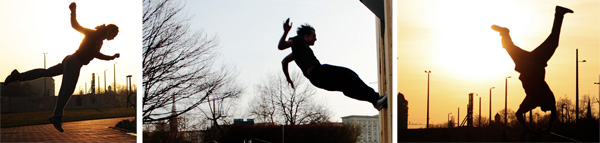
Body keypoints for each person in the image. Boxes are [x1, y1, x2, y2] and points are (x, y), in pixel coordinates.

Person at [3, 2, 120, 132]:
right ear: (109, 30)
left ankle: (17, 76)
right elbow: (75, 25)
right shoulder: (94, 34)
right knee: (67, 88)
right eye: (113, 35)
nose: (113, 38)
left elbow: (95, 54)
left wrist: (111, 57)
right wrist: (73, 11)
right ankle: (57, 116)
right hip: (74, 62)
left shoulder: (99, 40)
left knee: (47, 72)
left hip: (71, 60)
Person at [491, 6, 573, 132]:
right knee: (512, 48)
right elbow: (520, 115)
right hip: (531, 63)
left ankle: (559, 14)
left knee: (550, 43)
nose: (544, 110)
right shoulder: (537, 99)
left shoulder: (535, 100)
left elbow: (551, 113)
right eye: (545, 109)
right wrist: (540, 129)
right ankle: (559, 14)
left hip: (532, 63)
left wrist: (538, 130)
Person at [278, 18, 387, 111]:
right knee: (348, 73)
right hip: (318, 72)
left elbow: (284, 61)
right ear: (305, 36)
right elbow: (281, 46)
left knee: (347, 88)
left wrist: (288, 78)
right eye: (313, 36)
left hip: (316, 79)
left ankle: (376, 102)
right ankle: (375, 97)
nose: (315, 39)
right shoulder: (298, 41)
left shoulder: (298, 51)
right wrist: (285, 32)